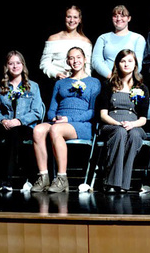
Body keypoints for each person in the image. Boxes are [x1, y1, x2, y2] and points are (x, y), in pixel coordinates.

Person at [31, 47, 101, 193]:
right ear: (67, 61)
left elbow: (92, 112)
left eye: (78, 57)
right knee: (38, 130)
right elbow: (51, 109)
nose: (75, 61)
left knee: (56, 129)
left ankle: (62, 178)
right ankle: (43, 177)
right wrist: (55, 118)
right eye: (71, 58)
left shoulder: (94, 82)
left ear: (85, 59)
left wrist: (68, 119)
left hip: (81, 124)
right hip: (59, 121)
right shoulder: (60, 83)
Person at [0, 51, 45, 191]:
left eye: (18, 63)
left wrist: (18, 120)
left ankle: (7, 180)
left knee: (14, 134)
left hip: (24, 126)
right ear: (6, 66)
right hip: (6, 124)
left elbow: (37, 111)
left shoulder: (33, 86)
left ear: (23, 65)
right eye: (11, 63)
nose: (15, 66)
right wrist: (3, 121)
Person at [97, 49, 150, 193]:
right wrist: (118, 124)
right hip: (112, 123)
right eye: (123, 61)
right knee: (120, 132)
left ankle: (123, 184)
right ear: (117, 64)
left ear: (135, 64)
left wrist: (132, 124)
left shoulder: (141, 87)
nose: (126, 64)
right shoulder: (108, 84)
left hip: (134, 124)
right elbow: (103, 114)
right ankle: (112, 182)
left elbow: (143, 119)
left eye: (130, 61)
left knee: (133, 135)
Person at [92, 5, 146, 79]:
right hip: (108, 80)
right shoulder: (103, 38)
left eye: (122, 16)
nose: (119, 19)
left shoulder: (138, 38)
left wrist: (125, 79)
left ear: (129, 18)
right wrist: (111, 77)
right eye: (115, 16)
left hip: (130, 80)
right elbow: (96, 61)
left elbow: (138, 63)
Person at [40, 5, 93, 79]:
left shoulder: (86, 42)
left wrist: (85, 81)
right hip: (56, 82)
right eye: (69, 17)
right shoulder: (53, 39)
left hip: (79, 83)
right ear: (64, 18)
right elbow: (44, 64)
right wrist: (56, 74)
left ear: (79, 20)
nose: (72, 20)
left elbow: (88, 66)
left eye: (75, 17)